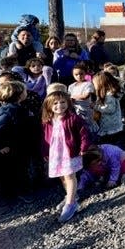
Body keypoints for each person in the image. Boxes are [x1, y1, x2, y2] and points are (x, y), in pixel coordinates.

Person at [41, 90, 91, 222]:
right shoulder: (48, 121)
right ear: (49, 106)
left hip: (70, 152)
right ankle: (71, 196)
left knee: (69, 176)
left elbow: (84, 133)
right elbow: (45, 138)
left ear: (68, 103)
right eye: (55, 103)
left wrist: (83, 147)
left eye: (63, 102)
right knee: (62, 176)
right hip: (56, 153)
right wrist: (45, 151)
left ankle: (70, 204)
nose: (59, 105)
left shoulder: (74, 118)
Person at [0, 81, 35, 214]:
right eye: (24, 91)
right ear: (19, 95)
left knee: (22, 170)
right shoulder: (9, 111)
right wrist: (1, 145)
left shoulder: (19, 108)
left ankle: (22, 191)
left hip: (20, 147)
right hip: (9, 150)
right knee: (4, 175)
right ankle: (3, 199)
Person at [92, 72, 124, 145]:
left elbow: (110, 109)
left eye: (95, 84)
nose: (94, 86)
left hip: (111, 127)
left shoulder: (109, 96)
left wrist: (96, 107)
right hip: (110, 125)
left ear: (101, 83)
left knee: (110, 145)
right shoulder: (105, 93)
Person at [68, 62, 98, 135]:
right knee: (80, 128)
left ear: (85, 74)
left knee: (89, 127)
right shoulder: (71, 86)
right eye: (76, 74)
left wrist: (73, 97)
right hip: (76, 111)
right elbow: (69, 98)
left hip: (87, 110)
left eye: (81, 74)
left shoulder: (88, 84)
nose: (79, 76)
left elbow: (85, 96)